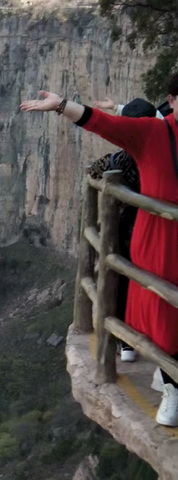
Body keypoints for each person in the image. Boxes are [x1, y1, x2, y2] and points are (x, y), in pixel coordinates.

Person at [21, 77, 178, 427]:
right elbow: (104, 123)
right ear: (172, 100)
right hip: (160, 242)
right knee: (164, 318)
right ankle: (172, 386)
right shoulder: (153, 134)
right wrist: (62, 105)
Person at [86, 99, 156, 363]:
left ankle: (126, 342)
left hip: (126, 231)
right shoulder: (163, 159)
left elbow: (93, 173)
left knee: (123, 280)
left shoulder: (116, 160)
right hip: (159, 232)